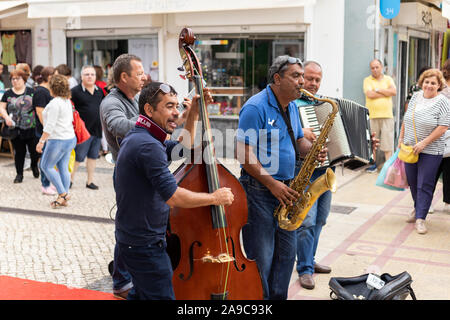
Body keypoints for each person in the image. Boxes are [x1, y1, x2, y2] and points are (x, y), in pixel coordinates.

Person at [114, 82, 232, 300]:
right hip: (144, 244)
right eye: (169, 106)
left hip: (136, 239)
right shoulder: (147, 145)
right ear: (149, 110)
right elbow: (174, 197)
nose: (176, 112)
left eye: (177, 106)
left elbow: (182, 150)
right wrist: (214, 198)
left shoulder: (145, 136)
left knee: (141, 295)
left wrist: (194, 113)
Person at [236, 55, 327, 300]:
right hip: (259, 192)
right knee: (262, 260)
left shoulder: (293, 106)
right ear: (277, 79)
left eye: (302, 76)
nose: (302, 81)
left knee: (286, 258)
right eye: (296, 76)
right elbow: (242, 153)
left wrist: (312, 151)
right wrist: (272, 184)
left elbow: (298, 141)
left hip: (287, 192)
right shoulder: (255, 107)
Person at [100, 53, 146, 299]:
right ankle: (121, 280)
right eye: (138, 73)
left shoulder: (136, 98)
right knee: (128, 228)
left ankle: (133, 271)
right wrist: (152, 120)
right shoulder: (111, 102)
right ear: (124, 77)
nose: (143, 76)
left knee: (140, 227)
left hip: (142, 168)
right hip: (128, 172)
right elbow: (119, 126)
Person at [294, 61, 332, 290]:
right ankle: (305, 268)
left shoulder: (324, 104)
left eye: (318, 79)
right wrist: (301, 130)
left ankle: (310, 258)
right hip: (304, 170)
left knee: (321, 219)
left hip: (325, 170)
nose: (314, 84)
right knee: (306, 221)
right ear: (301, 78)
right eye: (310, 79)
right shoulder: (292, 105)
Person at [399, 69, 450, 234]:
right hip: (410, 148)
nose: (429, 85)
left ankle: (420, 218)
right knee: (413, 182)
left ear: (439, 85)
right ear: (422, 82)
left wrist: (424, 143)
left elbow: (443, 127)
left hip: (431, 150)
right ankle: (418, 207)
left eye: (433, 83)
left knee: (425, 184)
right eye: (427, 82)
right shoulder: (416, 96)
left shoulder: (443, 101)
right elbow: (407, 118)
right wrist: (400, 139)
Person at [36, 74, 76, 208]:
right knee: (62, 167)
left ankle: (63, 194)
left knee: (45, 166)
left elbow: (49, 126)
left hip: (58, 140)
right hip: (69, 138)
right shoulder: (66, 101)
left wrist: (41, 141)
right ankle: (63, 197)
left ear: (52, 88)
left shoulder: (54, 104)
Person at [0, 69, 39, 183]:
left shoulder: (32, 92)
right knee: (19, 152)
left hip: (31, 126)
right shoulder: (8, 93)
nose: (15, 81)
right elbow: (2, 107)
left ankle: (34, 165)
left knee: (34, 151)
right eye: (13, 79)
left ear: (24, 80)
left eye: (18, 78)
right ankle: (19, 174)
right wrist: (6, 117)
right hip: (15, 128)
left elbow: (38, 108)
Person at [70, 65, 105, 190]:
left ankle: (90, 181)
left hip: (96, 129)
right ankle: (70, 180)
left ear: (96, 77)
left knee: (93, 157)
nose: (90, 77)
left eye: (92, 74)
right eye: (87, 74)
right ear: (81, 77)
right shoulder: (75, 91)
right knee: (78, 157)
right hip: (82, 132)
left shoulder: (99, 91)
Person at [363, 59, 397, 172]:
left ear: (382, 67)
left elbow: (393, 92)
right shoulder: (367, 80)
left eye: (377, 67)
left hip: (387, 115)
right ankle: (373, 165)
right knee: (373, 143)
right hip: (372, 116)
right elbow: (369, 94)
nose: (375, 69)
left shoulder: (388, 79)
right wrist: (385, 92)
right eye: (372, 67)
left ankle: (388, 168)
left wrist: (377, 90)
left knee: (387, 142)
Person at [33, 66, 57, 195]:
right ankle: (45, 184)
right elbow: (40, 112)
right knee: (45, 158)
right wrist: (47, 130)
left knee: (49, 158)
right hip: (44, 131)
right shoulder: (41, 92)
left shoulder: (47, 90)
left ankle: (48, 182)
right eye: (55, 76)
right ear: (49, 77)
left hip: (49, 131)